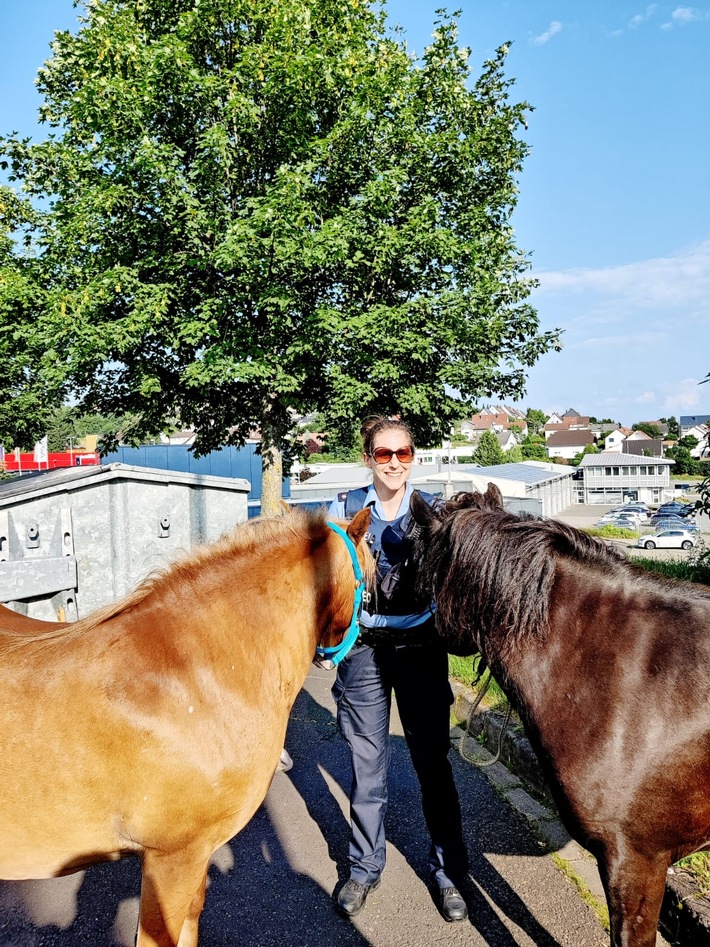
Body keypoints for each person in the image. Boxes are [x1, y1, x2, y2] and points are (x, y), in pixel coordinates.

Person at [328, 416, 468, 923]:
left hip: (420, 645)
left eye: (403, 453)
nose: (393, 463)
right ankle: (363, 870)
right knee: (367, 771)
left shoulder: (434, 512)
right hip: (363, 650)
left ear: (414, 457)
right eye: (383, 453)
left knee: (433, 764)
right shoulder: (342, 510)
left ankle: (451, 875)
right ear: (368, 456)